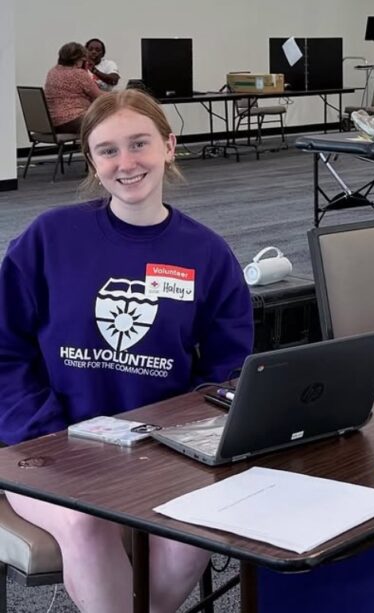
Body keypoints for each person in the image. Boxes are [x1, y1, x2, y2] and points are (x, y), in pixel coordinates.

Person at [0, 89, 253, 613]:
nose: (126, 162)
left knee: (194, 532)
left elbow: (226, 375)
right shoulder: (50, 237)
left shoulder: (207, 253)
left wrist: (180, 439)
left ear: (169, 146)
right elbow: (4, 350)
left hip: (158, 451)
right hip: (45, 445)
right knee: (86, 521)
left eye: (139, 143)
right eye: (108, 149)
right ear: (92, 161)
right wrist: (43, 431)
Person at [44, 42, 103, 134]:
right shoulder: (79, 74)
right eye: (83, 59)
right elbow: (99, 96)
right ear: (76, 59)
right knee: (109, 120)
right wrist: (118, 94)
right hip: (73, 121)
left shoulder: (52, 71)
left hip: (52, 122)